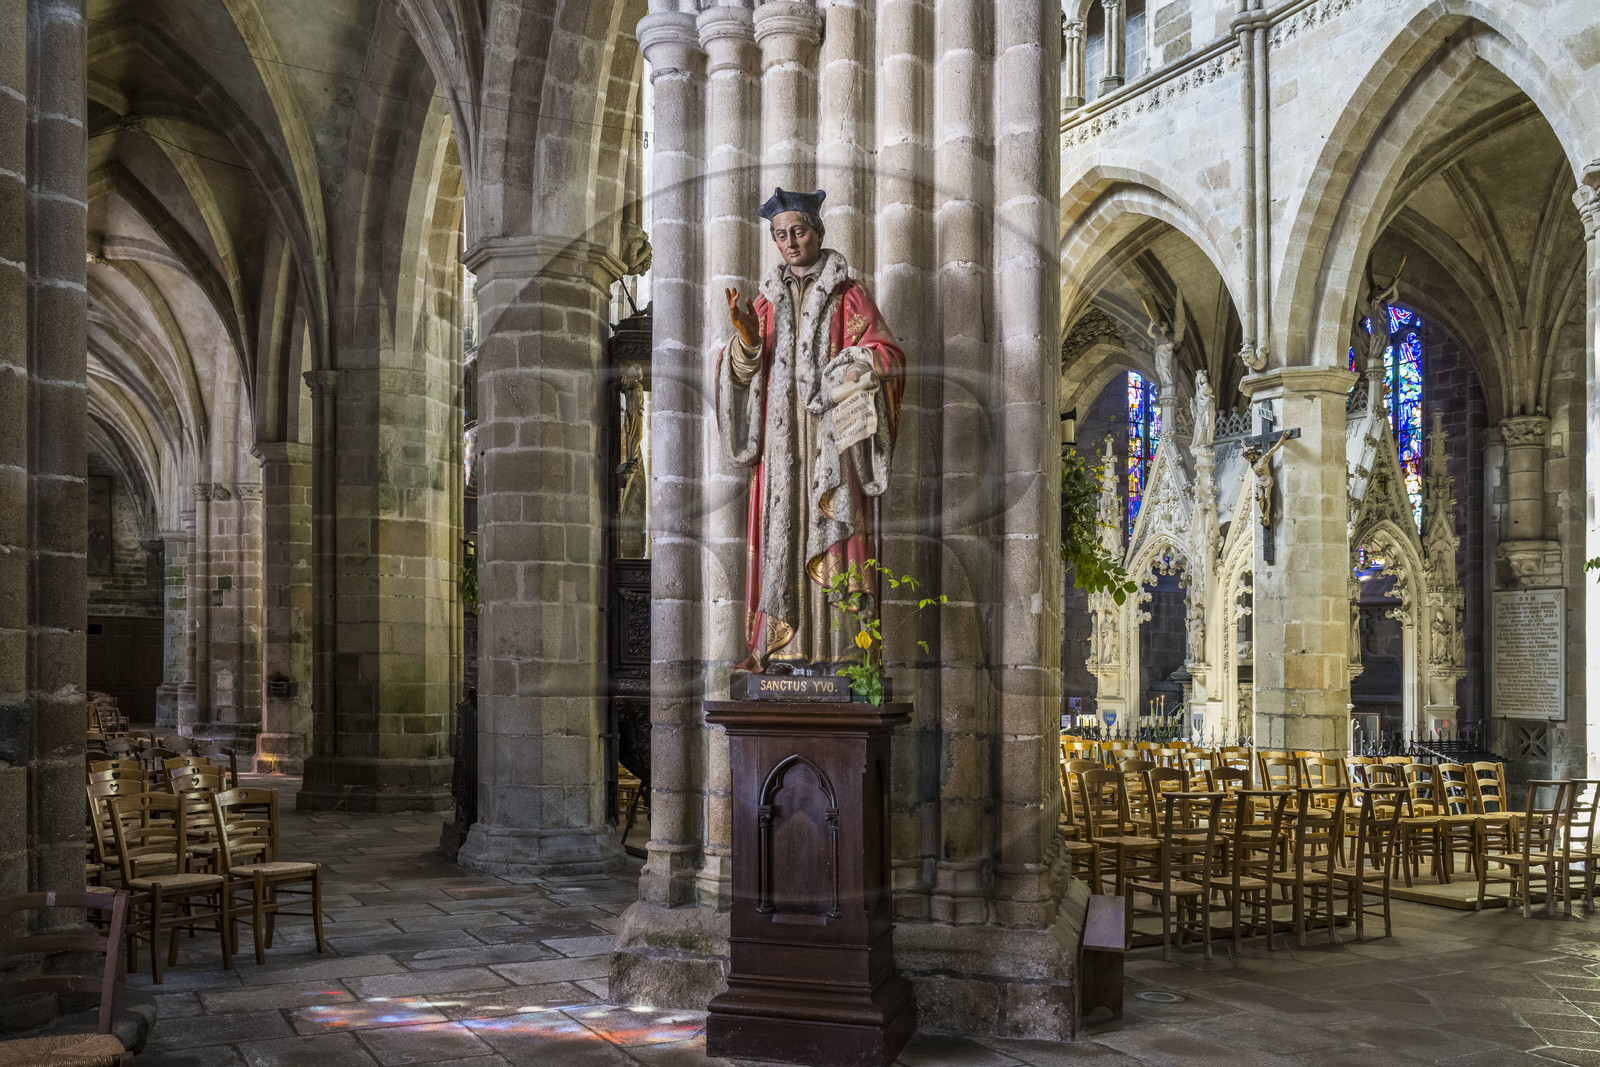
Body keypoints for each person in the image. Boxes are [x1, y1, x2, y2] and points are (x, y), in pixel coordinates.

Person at [718, 188, 905, 672]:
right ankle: (775, 650)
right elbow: (738, 374)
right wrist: (745, 340)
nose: (789, 242)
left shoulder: (848, 295)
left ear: (818, 233)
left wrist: (856, 365)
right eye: (780, 235)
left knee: (835, 533)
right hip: (780, 456)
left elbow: (888, 354)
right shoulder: (763, 304)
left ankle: (843, 655)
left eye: (798, 231)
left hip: (831, 450)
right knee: (780, 537)